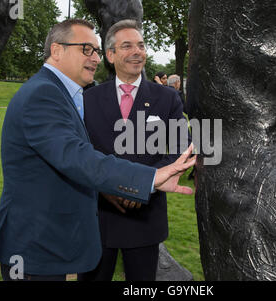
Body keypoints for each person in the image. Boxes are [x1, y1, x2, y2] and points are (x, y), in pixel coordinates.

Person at [0, 19, 195, 281]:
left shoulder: (63, 93)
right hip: (38, 241)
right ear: (57, 50)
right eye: (87, 49)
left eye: (95, 51)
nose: (94, 58)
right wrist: (148, 178)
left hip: (64, 239)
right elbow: (78, 156)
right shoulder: (48, 95)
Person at [80, 19, 190, 281]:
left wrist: (141, 185)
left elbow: (179, 149)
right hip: (98, 216)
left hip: (145, 217)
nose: (137, 51)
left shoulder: (167, 98)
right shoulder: (87, 98)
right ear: (110, 54)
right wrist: (107, 187)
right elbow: (79, 152)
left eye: (141, 45)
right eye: (127, 45)